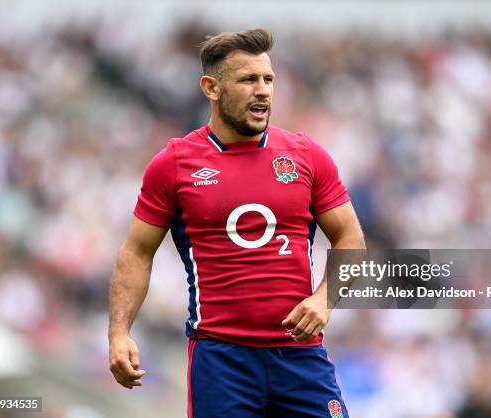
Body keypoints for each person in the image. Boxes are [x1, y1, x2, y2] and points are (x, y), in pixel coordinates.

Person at [108, 28, 365, 418]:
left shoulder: (306, 156)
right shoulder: (174, 164)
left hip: (299, 355)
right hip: (221, 360)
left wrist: (323, 299)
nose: (262, 90)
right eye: (248, 79)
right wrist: (119, 332)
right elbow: (137, 253)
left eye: (268, 79)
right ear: (211, 87)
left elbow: (350, 237)